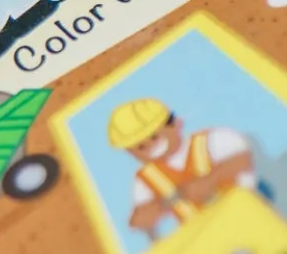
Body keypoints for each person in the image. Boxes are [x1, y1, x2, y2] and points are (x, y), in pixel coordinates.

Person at [107, 96, 259, 235]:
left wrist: (211, 180)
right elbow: (137, 220)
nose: (150, 148)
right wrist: (159, 208)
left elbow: (244, 159)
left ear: (175, 124)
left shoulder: (212, 139)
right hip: (204, 236)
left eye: (154, 137)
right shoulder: (146, 178)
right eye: (140, 147)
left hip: (247, 217)